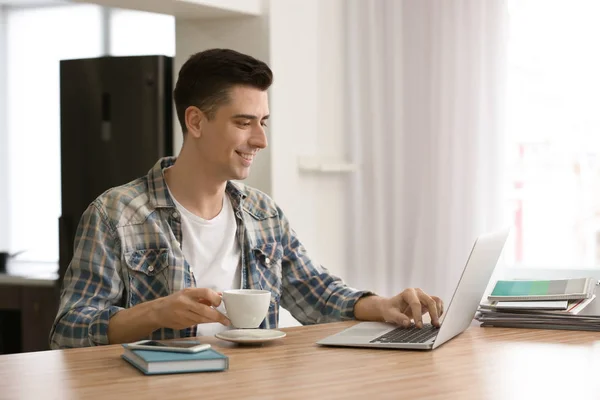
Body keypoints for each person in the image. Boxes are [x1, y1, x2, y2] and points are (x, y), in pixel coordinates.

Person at [49, 48, 444, 349]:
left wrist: (383, 305)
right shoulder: (115, 214)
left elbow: (315, 290)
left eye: (263, 122)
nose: (261, 140)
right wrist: (153, 313)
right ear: (196, 121)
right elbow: (68, 330)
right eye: (244, 123)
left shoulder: (263, 213)